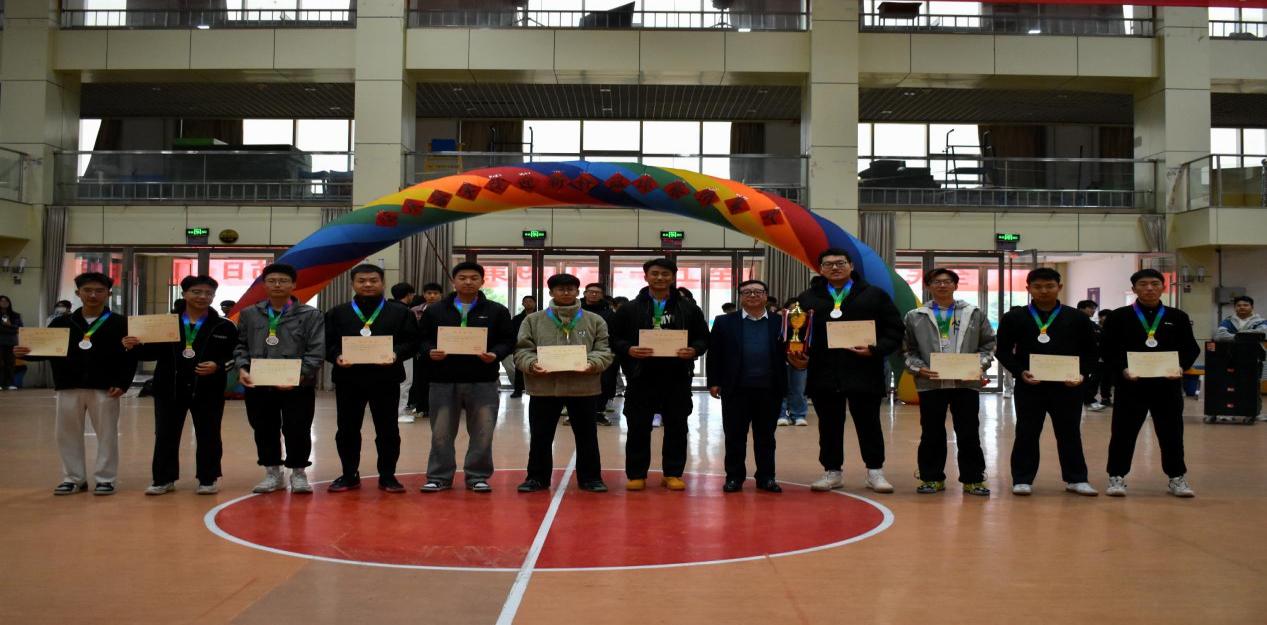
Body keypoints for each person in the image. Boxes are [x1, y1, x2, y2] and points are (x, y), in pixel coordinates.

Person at [795, 248, 903, 494]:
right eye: (828, 264)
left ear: (851, 266)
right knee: (828, 426)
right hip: (824, 372)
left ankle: (875, 472)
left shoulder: (874, 295)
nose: (835, 267)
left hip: (864, 370)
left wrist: (875, 350)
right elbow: (798, 333)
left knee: (869, 424)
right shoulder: (808, 298)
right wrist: (799, 356)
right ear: (820, 269)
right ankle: (832, 472)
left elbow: (895, 330)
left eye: (840, 263)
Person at [16, 273, 135, 495]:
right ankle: (73, 478)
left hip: (105, 388)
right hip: (68, 386)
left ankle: (105, 479)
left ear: (108, 294)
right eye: (87, 290)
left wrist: (123, 383)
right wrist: (25, 353)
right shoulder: (62, 323)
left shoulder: (121, 323)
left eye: (99, 290)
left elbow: (130, 357)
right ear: (78, 293)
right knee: (67, 434)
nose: (93, 295)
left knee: (107, 434)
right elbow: (48, 350)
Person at [123, 276, 237, 495]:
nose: (202, 297)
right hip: (169, 388)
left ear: (213, 296)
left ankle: (208, 478)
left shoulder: (225, 326)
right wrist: (133, 346)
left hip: (208, 389)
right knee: (165, 434)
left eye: (208, 293)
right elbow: (150, 353)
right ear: (184, 294)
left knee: (209, 434)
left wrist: (217, 366)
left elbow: (234, 355)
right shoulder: (165, 323)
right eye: (196, 292)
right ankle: (163, 479)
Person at [995, 268, 1099, 497]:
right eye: (1038, 287)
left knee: (1070, 432)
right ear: (1028, 288)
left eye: (1049, 286)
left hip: (1068, 387)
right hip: (1030, 386)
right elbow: (1002, 351)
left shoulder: (1077, 317)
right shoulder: (1015, 317)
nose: (1044, 291)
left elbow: (1091, 352)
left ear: (1059, 287)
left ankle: (1076, 479)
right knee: (1027, 432)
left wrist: (1082, 374)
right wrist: (1019, 372)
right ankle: (1022, 479)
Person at [609, 257, 709, 491]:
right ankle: (636, 474)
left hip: (677, 377)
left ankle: (672, 473)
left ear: (673, 278)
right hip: (641, 377)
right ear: (646, 277)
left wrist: (694, 350)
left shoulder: (689, 308)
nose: (660, 278)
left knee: (677, 427)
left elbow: (703, 338)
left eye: (665, 274)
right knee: (638, 427)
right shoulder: (630, 309)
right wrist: (629, 349)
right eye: (654, 273)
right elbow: (614, 339)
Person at [1101, 269, 1201, 498]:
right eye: (1143, 284)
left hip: (1167, 386)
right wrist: (1122, 369)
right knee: (1123, 432)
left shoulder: (1177, 317)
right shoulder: (1119, 316)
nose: (1149, 288)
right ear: (1134, 289)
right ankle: (1116, 476)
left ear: (1163, 287)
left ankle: (1177, 477)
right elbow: (1107, 349)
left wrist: (1180, 367)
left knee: (1171, 432)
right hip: (1131, 386)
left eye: (1155, 283)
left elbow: (1190, 348)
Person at [419, 262, 514, 493]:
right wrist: (429, 351)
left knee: (483, 432)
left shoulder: (497, 310)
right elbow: (422, 339)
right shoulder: (435, 310)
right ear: (453, 281)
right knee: (441, 433)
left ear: (482, 281)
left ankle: (477, 477)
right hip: (443, 380)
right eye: (462, 278)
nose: (468, 282)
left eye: (474, 278)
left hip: (483, 380)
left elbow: (508, 340)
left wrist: (495, 354)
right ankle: (439, 477)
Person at [514, 273, 614, 493]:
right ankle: (536, 478)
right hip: (544, 388)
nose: (566, 292)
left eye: (570, 289)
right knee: (541, 436)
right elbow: (522, 351)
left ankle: (591, 478)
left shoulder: (594, 320)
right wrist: (532, 364)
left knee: (587, 436)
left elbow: (604, 351)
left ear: (578, 292)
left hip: (584, 388)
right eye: (561, 289)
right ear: (551, 292)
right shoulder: (533, 320)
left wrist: (592, 363)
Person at [325, 265, 420, 493]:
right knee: (347, 430)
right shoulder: (338, 312)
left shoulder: (401, 313)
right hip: (349, 379)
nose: (367, 284)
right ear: (353, 284)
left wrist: (396, 354)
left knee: (388, 430)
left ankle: (387, 476)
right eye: (361, 280)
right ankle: (349, 474)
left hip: (386, 379)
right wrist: (336, 356)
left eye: (373, 280)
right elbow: (326, 343)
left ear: (383, 283)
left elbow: (412, 342)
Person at [233, 263, 325, 494]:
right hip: (259, 383)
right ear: (264, 285)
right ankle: (272, 473)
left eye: (283, 281)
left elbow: (316, 350)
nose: (277, 285)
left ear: (293, 285)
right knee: (264, 428)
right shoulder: (250, 314)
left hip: (298, 385)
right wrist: (242, 368)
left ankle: (298, 473)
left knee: (298, 428)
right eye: (272, 281)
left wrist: (300, 375)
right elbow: (240, 345)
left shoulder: (310, 315)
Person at [903, 268, 995, 496]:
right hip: (930, 384)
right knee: (931, 432)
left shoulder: (974, 313)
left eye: (947, 281)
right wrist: (919, 369)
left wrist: (977, 367)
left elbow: (988, 345)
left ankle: (973, 479)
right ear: (928, 286)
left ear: (955, 285)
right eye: (936, 282)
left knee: (969, 432)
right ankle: (931, 478)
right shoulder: (915, 316)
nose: (942, 285)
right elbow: (907, 350)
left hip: (965, 384)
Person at [707, 279, 787, 493]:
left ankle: (766, 477)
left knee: (766, 437)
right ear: (740, 297)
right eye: (747, 292)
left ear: (766, 296)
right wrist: (714, 381)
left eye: (758, 292)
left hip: (769, 388)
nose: (752, 295)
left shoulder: (781, 322)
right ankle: (734, 477)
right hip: (735, 388)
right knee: (734, 436)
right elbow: (714, 353)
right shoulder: (724, 322)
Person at [404, 282, 444, 422]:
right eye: (429, 293)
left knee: (440, 381)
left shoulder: (447, 309)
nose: (432, 296)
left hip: (443, 351)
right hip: (422, 350)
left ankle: (441, 408)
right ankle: (422, 408)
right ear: (424, 295)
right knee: (421, 380)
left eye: (435, 293)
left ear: (441, 295)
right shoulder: (414, 310)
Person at [582, 282, 617, 426]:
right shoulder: (576, 309)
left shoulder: (609, 313)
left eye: (597, 292)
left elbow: (614, 333)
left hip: (602, 352)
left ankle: (599, 412)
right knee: (579, 381)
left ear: (602, 295)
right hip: (579, 351)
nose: (593, 294)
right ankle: (576, 412)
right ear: (585, 293)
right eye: (590, 291)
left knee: (604, 382)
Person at [390, 281, 419, 419]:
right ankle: (399, 413)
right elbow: (413, 335)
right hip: (403, 352)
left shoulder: (387, 309)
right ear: (409, 295)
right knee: (405, 382)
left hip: (386, 351)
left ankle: (392, 411)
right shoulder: (406, 312)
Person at [778, 297, 809, 427]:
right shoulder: (779, 324)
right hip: (781, 360)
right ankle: (782, 415)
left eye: (798, 310)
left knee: (799, 389)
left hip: (799, 360)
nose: (794, 313)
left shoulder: (808, 325)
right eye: (790, 310)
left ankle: (799, 415)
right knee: (781, 389)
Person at [1076, 299, 1108, 412]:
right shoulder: (1073, 320)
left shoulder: (1093, 324)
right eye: (1090, 308)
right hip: (1077, 358)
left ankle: (1089, 400)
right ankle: (1089, 400)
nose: (1093, 311)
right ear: (1081, 308)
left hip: (1091, 358)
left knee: (1089, 380)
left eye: (1094, 308)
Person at [506, 295, 536, 398]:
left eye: (530, 301)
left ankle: (536, 391)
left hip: (538, 346)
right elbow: (512, 333)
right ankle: (518, 390)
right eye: (526, 301)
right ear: (522, 304)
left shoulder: (540, 317)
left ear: (535, 303)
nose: (528, 303)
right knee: (519, 369)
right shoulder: (517, 318)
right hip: (521, 346)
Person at [0, 295, 22, 390]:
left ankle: (10, 383)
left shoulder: (15, 315)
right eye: (1, 301)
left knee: (10, 363)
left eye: (6, 301)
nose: (4, 303)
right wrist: (10, 328)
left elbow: (19, 328)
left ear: (9, 303)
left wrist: (9, 325)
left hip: (11, 342)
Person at [1096, 309, 1114, 408]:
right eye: (1103, 316)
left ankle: (1106, 398)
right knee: (1100, 379)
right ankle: (1101, 398)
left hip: (1110, 358)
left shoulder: (1114, 328)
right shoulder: (1096, 328)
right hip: (1099, 358)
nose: (1105, 318)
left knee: (1108, 379)